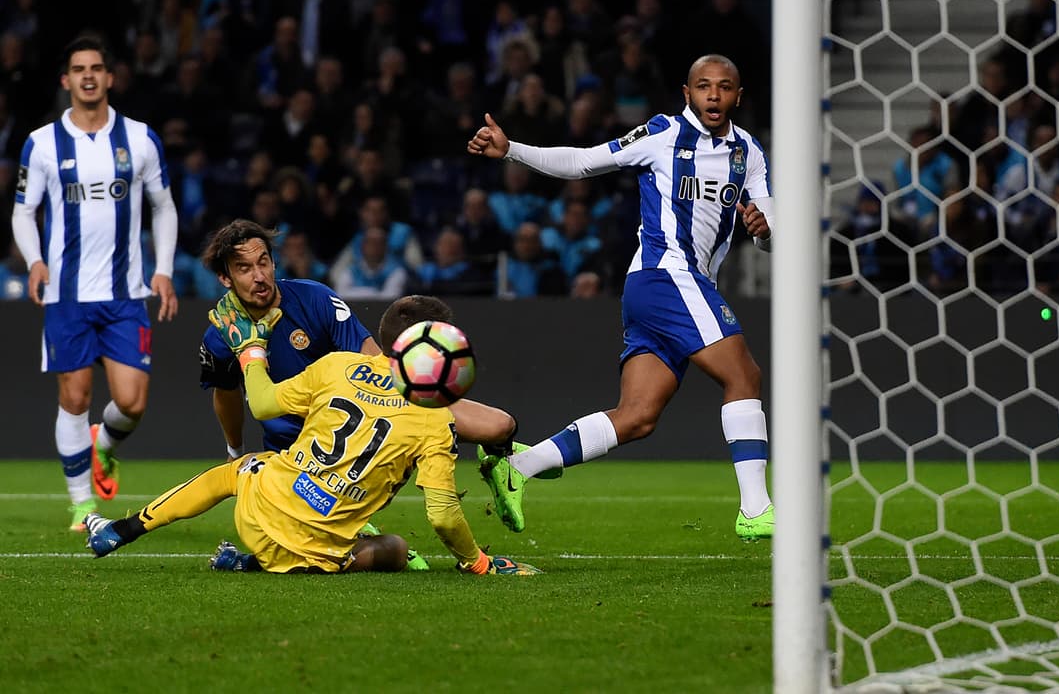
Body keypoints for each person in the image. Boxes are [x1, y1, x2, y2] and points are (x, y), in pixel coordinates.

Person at [466, 53, 776, 540]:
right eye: (703, 85)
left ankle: (517, 468)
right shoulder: (662, 133)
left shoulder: (749, 153)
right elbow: (584, 161)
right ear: (687, 93)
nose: (713, 94)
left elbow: (769, 230)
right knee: (744, 375)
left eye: (724, 86)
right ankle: (756, 509)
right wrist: (512, 151)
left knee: (637, 417)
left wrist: (763, 230)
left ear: (739, 96)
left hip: (676, 287)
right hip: (666, 275)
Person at [84, 294, 539, 577]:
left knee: (239, 470)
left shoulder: (337, 366)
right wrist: (478, 562)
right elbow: (441, 516)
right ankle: (261, 562)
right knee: (396, 550)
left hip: (259, 512)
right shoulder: (436, 418)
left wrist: (251, 350)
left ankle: (123, 530)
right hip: (320, 551)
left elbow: (262, 405)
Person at [197, 219, 541, 560]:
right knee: (385, 549)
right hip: (297, 456)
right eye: (244, 268)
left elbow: (374, 360)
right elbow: (225, 393)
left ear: (274, 262)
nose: (258, 276)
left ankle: (502, 467)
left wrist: (407, 412)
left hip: (362, 425)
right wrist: (234, 449)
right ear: (226, 278)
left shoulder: (314, 298)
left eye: (263, 263)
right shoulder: (221, 335)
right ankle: (353, 531)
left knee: (499, 426)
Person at [10, 35, 179, 531]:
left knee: (132, 402)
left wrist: (164, 269)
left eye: (96, 68)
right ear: (66, 80)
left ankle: (102, 445)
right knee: (75, 397)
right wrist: (35, 261)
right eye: (79, 69)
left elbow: (163, 206)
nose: (88, 76)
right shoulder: (42, 143)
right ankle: (82, 506)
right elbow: (23, 212)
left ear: (110, 78)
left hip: (125, 294)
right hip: (67, 295)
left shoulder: (140, 139)